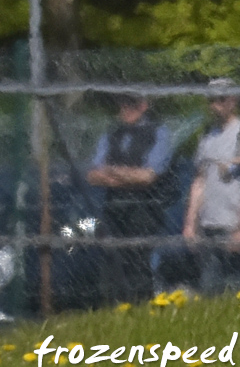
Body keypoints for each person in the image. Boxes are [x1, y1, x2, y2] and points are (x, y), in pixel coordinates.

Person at [87, 93, 173, 304]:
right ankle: (112, 309)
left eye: (131, 104)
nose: (125, 108)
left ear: (143, 105)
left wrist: (113, 172)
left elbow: (149, 176)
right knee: (111, 262)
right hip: (114, 210)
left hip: (144, 212)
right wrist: (128, 177)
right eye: (122, 103)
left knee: (139, 264)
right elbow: (93, 175)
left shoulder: (158, 132)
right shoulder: (112, 133)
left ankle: (141, 308)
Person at [182, 87, 240, 295]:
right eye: (212, 100)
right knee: (209, 294)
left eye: (221, 99)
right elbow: (199, 180)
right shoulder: (207, 136)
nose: (215, 105)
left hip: (233, 226)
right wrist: (190, 224)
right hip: (209, 226)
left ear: (232, 100)